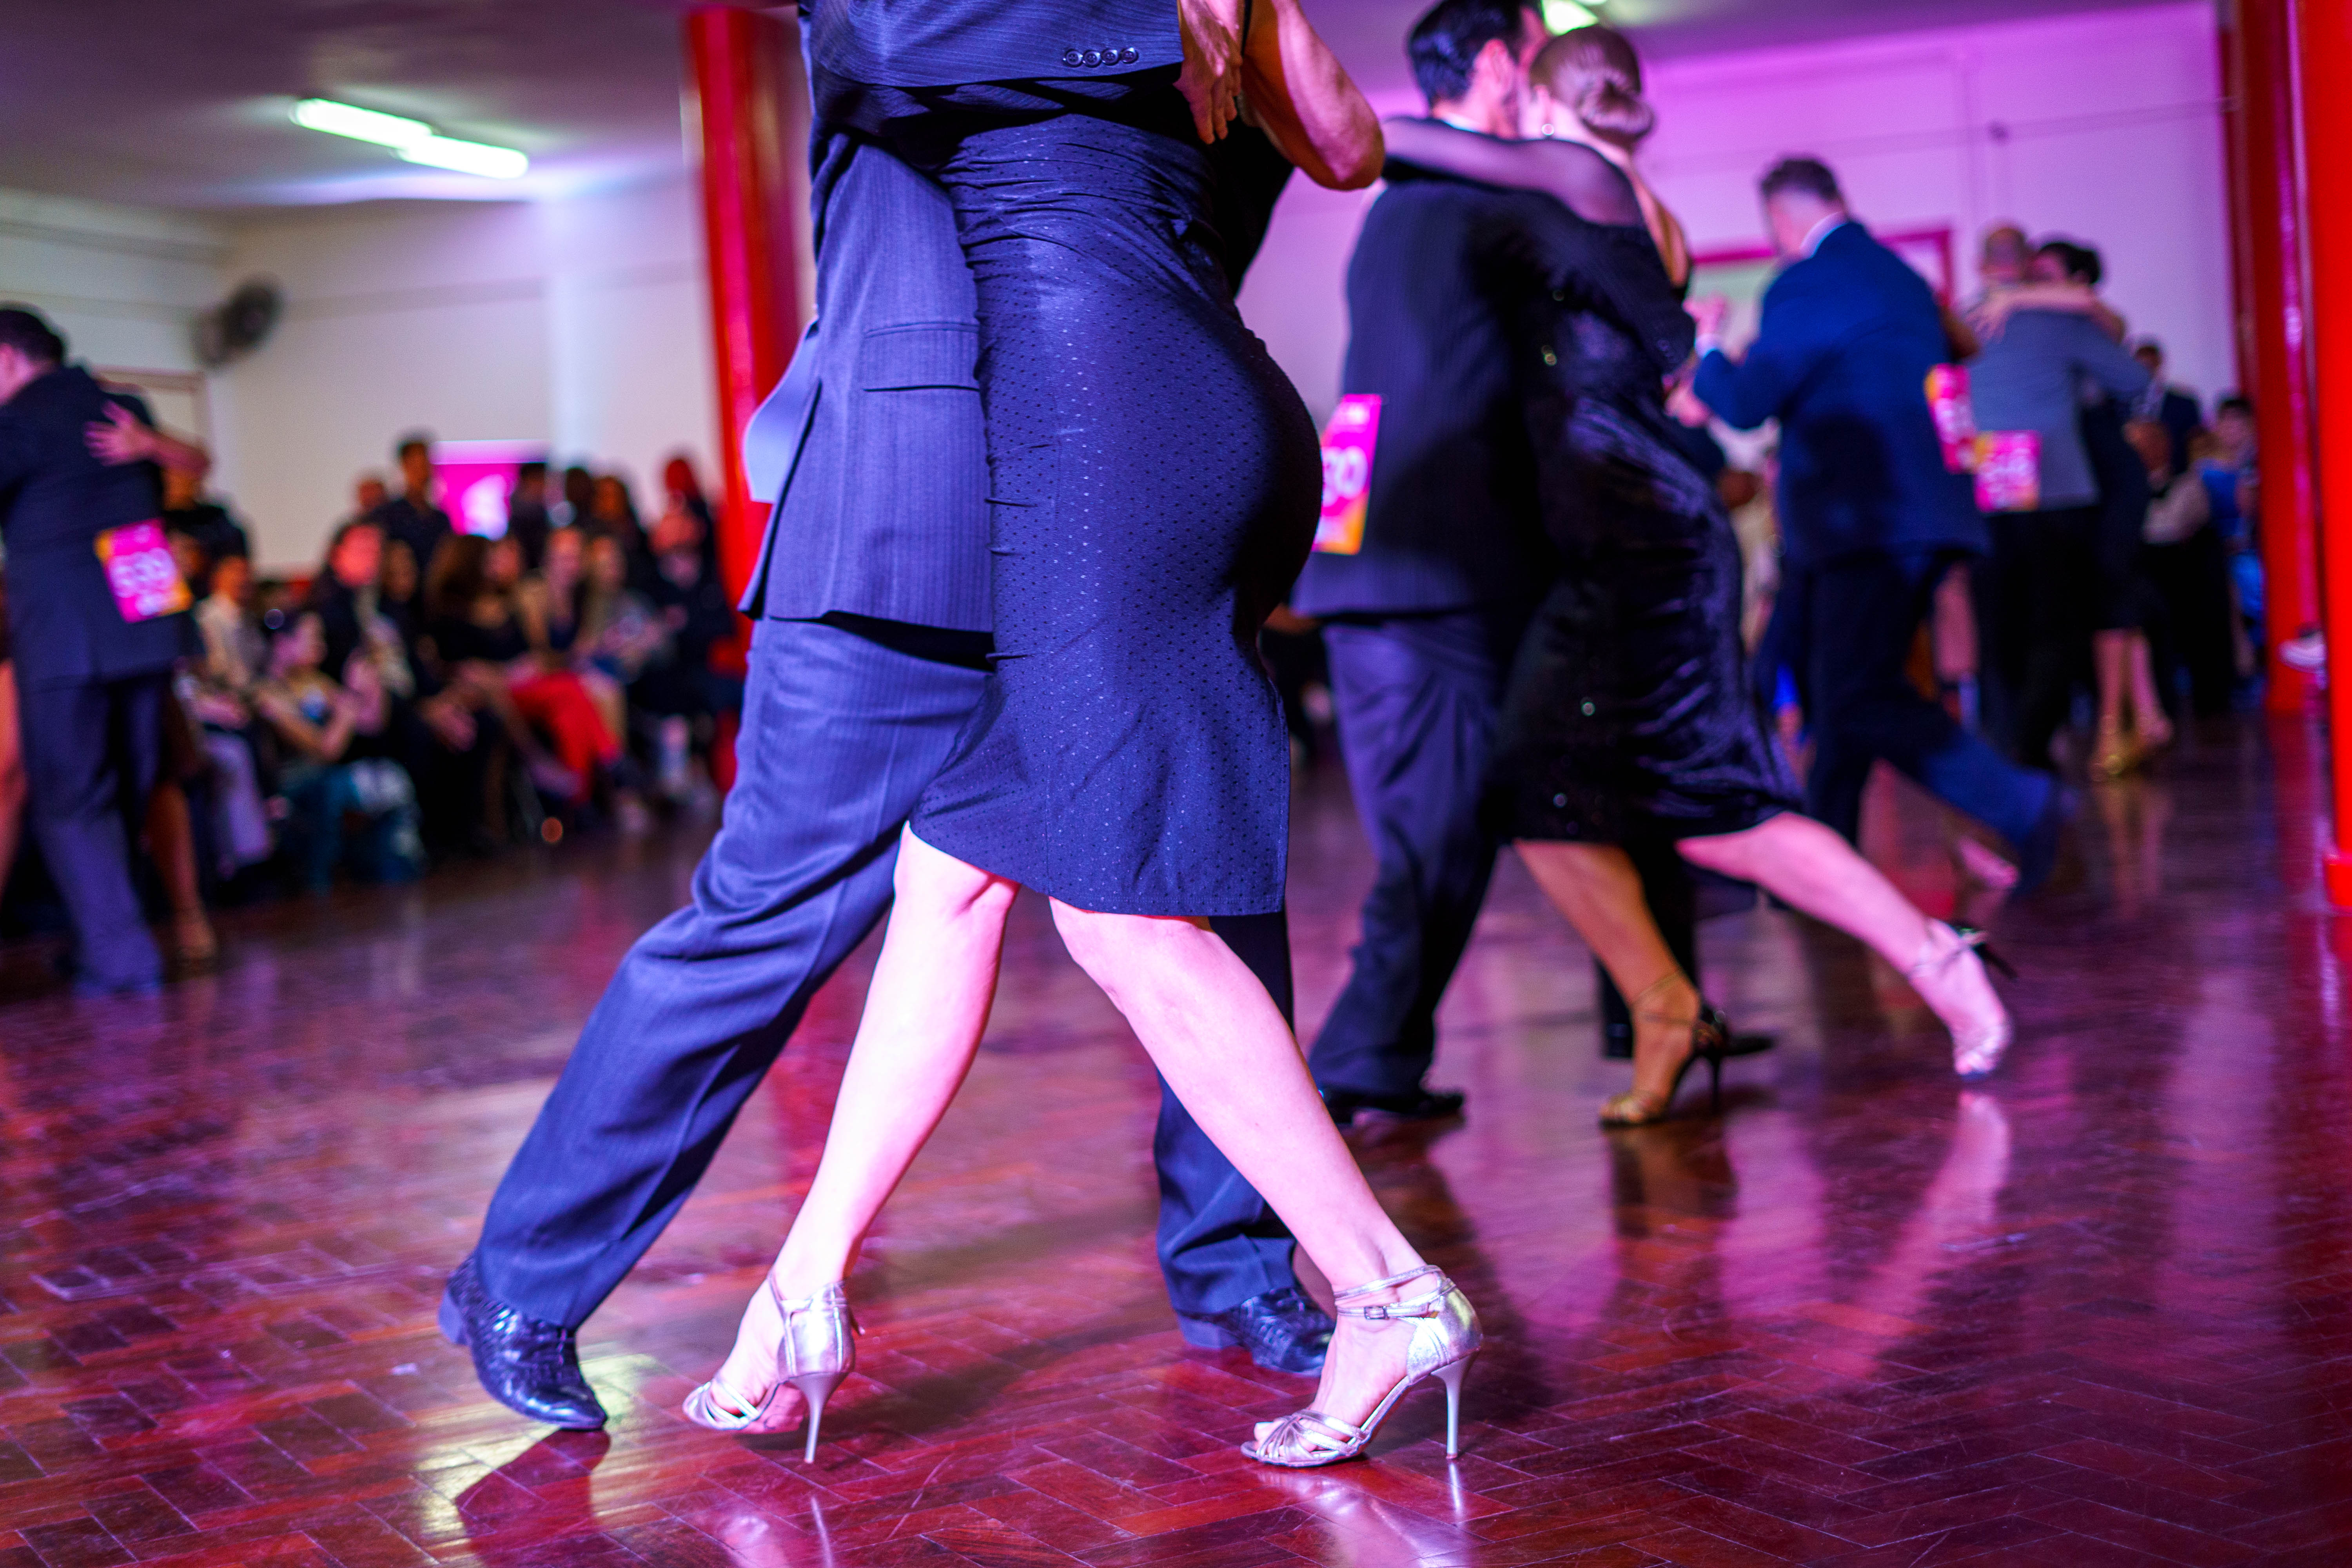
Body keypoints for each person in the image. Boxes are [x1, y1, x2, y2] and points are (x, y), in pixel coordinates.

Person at [439, 0, 1381, 1445]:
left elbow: (1341, 143)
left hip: (1119, 495)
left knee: (1197, 883)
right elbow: (877, 37)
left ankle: (1243, 1262)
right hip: (911, 527)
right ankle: (525, 1281)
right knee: (770, 912)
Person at [688, 0, 1470, 1472]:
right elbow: (1350, 143)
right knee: (951, 872)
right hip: (1196, 399)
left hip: (1103, 415)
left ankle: (1384, 1286)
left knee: (1122, 916)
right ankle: (800, 1293)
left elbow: (864, 43)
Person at [1374, 18, 1759, 1072]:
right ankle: (1664, 1009)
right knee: (1646, 780)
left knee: (1677, 794)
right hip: (1647, 516)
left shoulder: (1564, 169)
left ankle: (1928, 962)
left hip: (1636, 523)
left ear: (1545, 100)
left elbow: (1404, 139)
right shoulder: (1641, 199)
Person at [1289, 0, 1557, 1124]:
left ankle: (1378, 1059)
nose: (1538, 92)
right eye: (1535, 66)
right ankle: (1353, 1065)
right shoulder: (1475, 204)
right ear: (1498, 63)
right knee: (1430, 834)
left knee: (1453, 826)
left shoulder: (1406, 207)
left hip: (1400, 570)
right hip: (1418, 577)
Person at [1677, 161, 2069, 892]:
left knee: (1856, 695)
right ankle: (1821, 870)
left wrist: (1705, 347)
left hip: (1864, 524)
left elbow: (1744, 402)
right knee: (1840, 693)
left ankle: (2024, 803)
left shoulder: (1807, 283)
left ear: (1781, 220)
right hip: (1924, 516)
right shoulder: (1901, 275)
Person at [0, 305, 207, 993]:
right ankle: (108, 941)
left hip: (66, 639)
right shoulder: (122, 406)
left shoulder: (16, 422)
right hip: (146, 626)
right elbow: (195, 465)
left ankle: (121, 957)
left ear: (7, 359)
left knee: (70, 797)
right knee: (127, 784)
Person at [1965, 232, 2151, 773]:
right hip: (2056, 487)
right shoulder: (2059, 322)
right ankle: (2033, 739)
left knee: (1998, 626)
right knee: (2056, 626)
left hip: (1990, 487)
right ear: (2028, 266)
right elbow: (2135, 378)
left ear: (1979, 266)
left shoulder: (1956, 323)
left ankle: (2005, 742)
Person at [250, 612, 423, 890]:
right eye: (313, 639)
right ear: (283, 643)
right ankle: (319, 882)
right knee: (341, 788)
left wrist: (370, 679)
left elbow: (371, 723)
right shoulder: (268, 695)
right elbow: (326, 749)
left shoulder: (315, 683)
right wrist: (352, 699)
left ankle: (394, 874)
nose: (321, 647)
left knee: (391, 778)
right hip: (291, 793)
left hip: (326, 784)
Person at [370, 434, 454, 571]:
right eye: (415, 465)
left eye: (426, 465)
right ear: (404, 466)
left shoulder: (441, 520)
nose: (423, 472)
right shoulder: (386, 516)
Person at [160, 465, 249, 590]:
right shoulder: (151, 523)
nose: (183, 478)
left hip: (209, 599)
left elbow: (236, 561)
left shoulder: (217, 518)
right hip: (164, 599)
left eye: (189, 471)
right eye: (175, 474)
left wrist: (202, 557)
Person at [505, 461, 554, 572]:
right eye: (540, 480)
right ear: (527, 482)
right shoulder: (524, 515)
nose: (544, 486)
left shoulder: (539, 510)